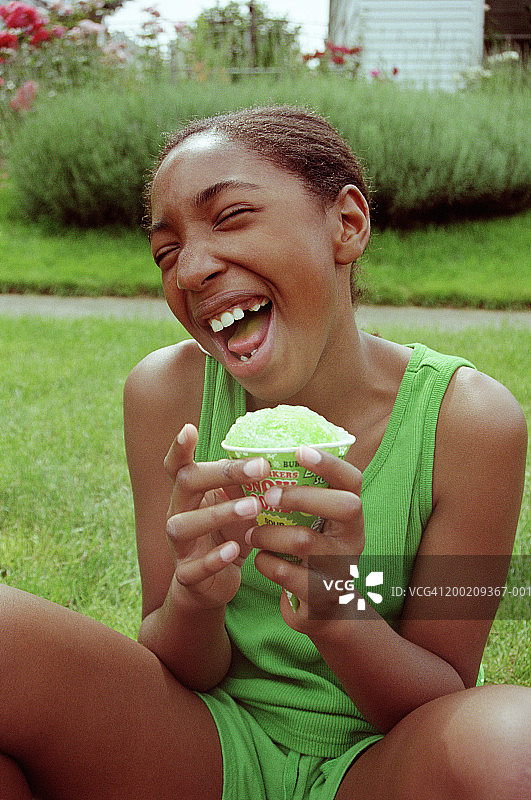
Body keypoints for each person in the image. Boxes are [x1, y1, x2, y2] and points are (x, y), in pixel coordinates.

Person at [0, 106, 529, 800]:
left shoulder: (471, 422)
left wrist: (338, 605)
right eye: (165, 251)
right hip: (200, 747)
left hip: (374, 769)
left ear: (346, 224)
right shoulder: (166, 393)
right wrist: (194, 595)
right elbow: (176, 664)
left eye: (231, 216)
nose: (189, 269)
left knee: (512, 739)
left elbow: (442, 697)